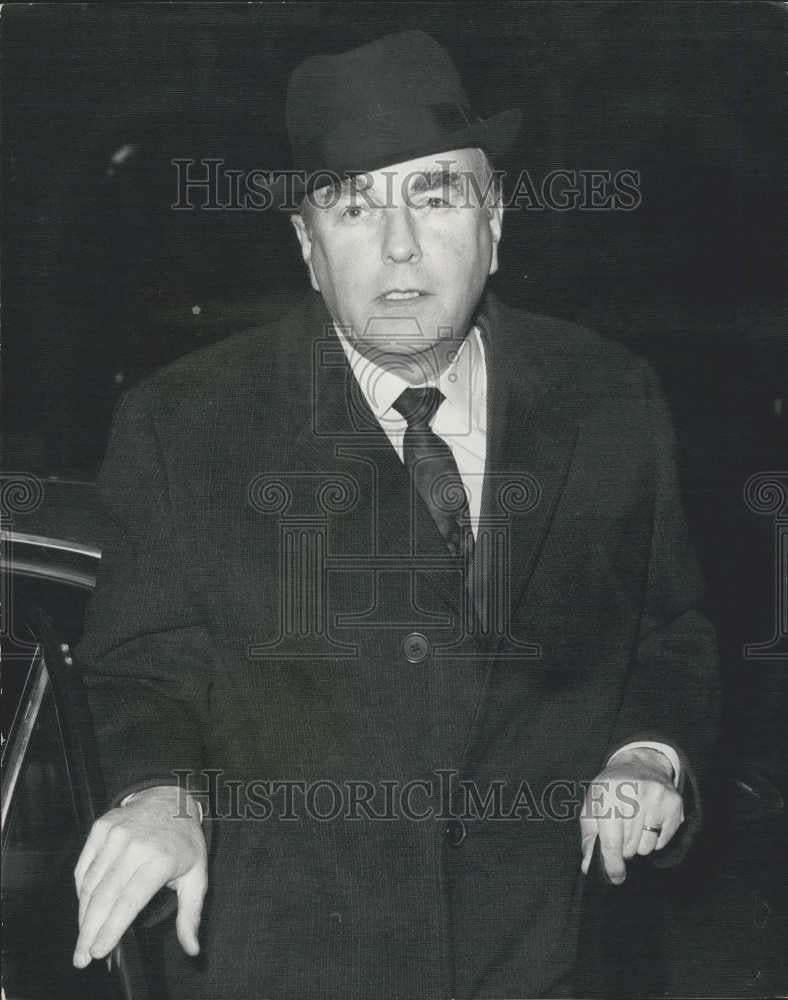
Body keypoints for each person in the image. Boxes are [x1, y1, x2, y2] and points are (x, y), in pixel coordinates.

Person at [72, 30, 720, 999]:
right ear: (307, 248)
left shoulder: (610, 399)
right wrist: (160, 795)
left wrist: (649, 754)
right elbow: (140, 675)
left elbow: (669, 634)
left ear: (495, 218)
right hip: (294, 969)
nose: (400, 245)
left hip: (559, 963)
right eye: (352, 206)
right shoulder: (186, 426)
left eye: (437, 195)